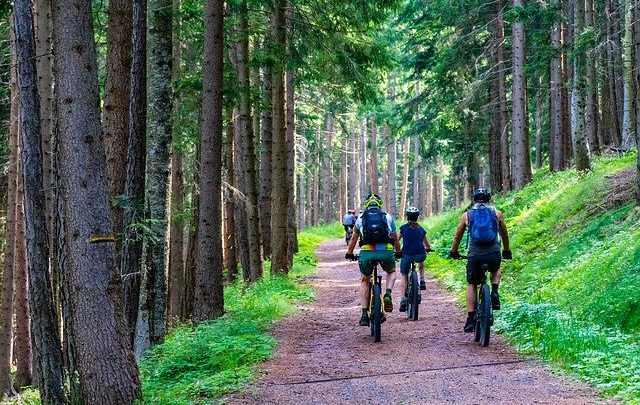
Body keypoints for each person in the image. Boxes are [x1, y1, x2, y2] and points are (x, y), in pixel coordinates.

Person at [449, 188, 512, 333]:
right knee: (495, 268)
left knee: (472, 283)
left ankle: (470, 319)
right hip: (493, 253)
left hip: (475, 255)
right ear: (489, 199)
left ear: (474, 199)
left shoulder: (467, 215)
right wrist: (507, 250)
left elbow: (457, 236)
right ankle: (494, 291)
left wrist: (454, 251)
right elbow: (505, 234)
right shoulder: (497, 213)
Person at [345, 193, 402, 326]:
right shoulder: (387, 217)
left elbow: (353, 238)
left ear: (366, 205)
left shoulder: (360, 218)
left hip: (367, 252)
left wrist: (349, 253)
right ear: (379, 205)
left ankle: (364, 314)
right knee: (391, 271)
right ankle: (387, 293)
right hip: (386, 252)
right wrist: (398, 252)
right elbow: (394, 237)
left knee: (365, 279)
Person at [398, 206, 434, 312]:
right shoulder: (421, 230)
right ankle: (422, 279)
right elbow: (426, 243)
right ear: (417, 217)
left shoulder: (403, 228)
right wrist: (428, 248)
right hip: (419, 254)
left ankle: (403, 299)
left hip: (406, 255)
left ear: (407, 217)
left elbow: (397, 240)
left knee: (404, 275)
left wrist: (397, 251)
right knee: (421, 260)